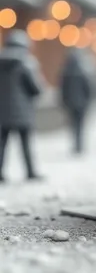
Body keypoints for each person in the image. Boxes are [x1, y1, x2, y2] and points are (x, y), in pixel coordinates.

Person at [0, 30, 44, 181]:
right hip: (22, 111)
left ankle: (0, 174)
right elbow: (36, 88)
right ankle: (30, 172)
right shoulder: (27, 62)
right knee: (25, 145)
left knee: (2, 145)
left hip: (2, 112)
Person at [60, 48, 93, 154]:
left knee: (73, 124)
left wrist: (63, 101)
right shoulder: (83, 71)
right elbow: (88, 88)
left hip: (70, 103)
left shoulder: (65, 71)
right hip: (81, 103)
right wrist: (88, 100)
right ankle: (79, 144)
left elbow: (62, 88)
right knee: (80, 124)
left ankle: (75, 144)